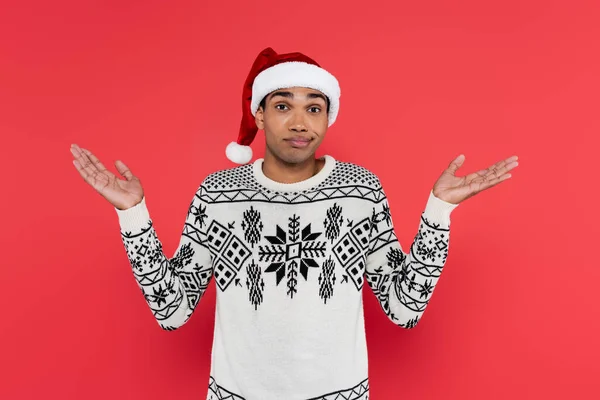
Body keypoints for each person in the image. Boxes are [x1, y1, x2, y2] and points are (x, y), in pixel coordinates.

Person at [70, 47, 518, 400]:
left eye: (315, 108)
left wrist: (439, 210)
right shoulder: (218, 194)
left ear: (329, 117)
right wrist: (132, 214)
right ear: (260, 115)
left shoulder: (360, 191)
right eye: (283, 106)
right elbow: (172, 309)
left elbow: (404, 308)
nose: (300, 122)